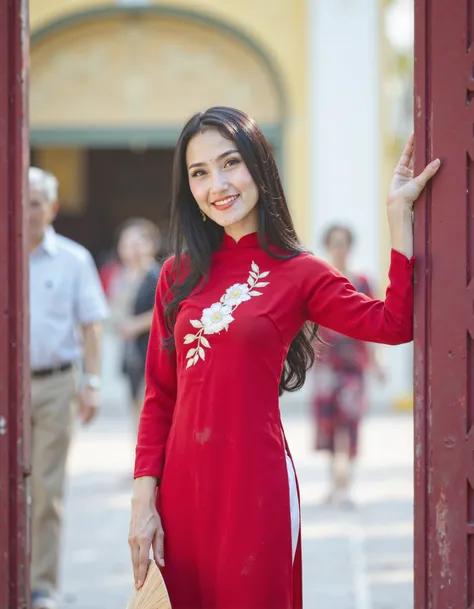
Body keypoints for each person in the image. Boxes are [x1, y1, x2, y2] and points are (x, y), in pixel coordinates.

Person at [128, 107, 440, 609]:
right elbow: (160, 396)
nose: (218, 185)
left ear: (259, 166)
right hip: (181, 493)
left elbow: (393, 324)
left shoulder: (299, 272)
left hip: (255, 489)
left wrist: (398, 218)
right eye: (200, 172)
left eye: (230, 163)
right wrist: (144, 501)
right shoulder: (177, 275)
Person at [29, 167, 108, 609]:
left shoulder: (74, 259)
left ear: (52, 208)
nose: (27, 211)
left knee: (46, 488)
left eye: (36, 202)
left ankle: (41, 586)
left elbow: (91, 325)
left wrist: (91, 383)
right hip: (8, 389)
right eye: (19, 201)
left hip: (57, 383)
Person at [312, 224, 385, 508]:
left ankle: (348, 484)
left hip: (354, 365)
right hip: (326, 365)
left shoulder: (364, 283)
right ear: (327, 246)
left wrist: (376, 363)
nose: (339, 248)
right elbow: (308, 323)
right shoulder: (319, 279)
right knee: (328, 425)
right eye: (334, 243)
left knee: (351, 424)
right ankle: (333, 483)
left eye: (343, 243)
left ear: (350, 246)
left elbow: (374, 324)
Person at [107, 218, 162, 430]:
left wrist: (135, 326)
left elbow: (166, 309)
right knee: (135, 408)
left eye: (138, 243)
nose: (132, 250)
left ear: (151, 245)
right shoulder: (120, 277)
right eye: (127, 244)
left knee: (151, 408)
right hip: (131, 354)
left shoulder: (158, 275)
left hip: (153, 350)